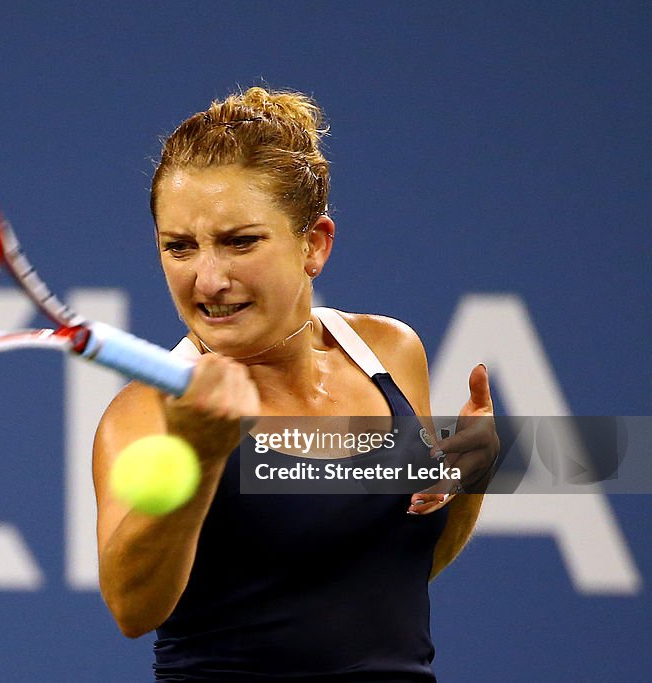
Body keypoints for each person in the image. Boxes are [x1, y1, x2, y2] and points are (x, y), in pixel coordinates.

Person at [92, 87, 498, 681]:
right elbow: (133, 609)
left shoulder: (389, 352)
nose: (207, 280)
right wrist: (201, 457)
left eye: (240, 241)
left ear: (314, 244)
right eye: (179, 248)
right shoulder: (145, 415)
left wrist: (471, 481)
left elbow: (389, 575)